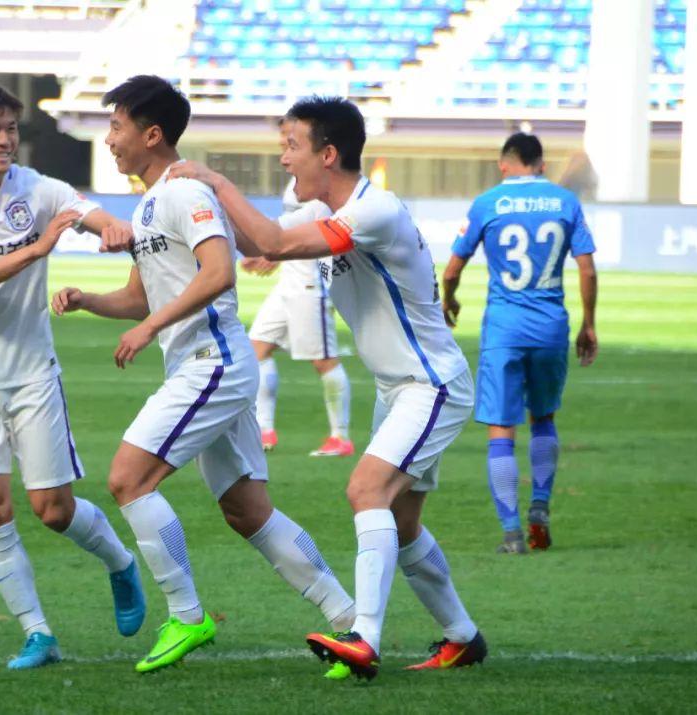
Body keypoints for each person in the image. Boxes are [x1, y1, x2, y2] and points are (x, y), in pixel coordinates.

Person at [168, 96, 486, 680]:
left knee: (366, 490)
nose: (284, 159)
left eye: (293, 146)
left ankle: (364, 638)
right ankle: (462, 636)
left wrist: (215, 179)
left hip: (432, 385)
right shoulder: (320, 208)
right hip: (398, 389)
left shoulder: (375, 210)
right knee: (402, 524)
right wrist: (189, 207)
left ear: (329, 154)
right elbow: (254, 243)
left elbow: (274, 243)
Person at [51, 76, 354, 674]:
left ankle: (187, 615)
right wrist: (88, 300)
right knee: (247, 511)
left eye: (116, 126)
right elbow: (141, 298)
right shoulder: (149, 202)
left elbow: (219, 273)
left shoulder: (185, 191)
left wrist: (148, 328)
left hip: (212, 364)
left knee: (128, 479)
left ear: (151, 134)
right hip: (206, 365)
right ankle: (350, 620)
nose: (109, 139)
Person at [0, 81, 146, 671]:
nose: (4, 140)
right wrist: (38, 249)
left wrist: (115, 230)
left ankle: (120, 563)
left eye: (11, 128)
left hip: (31, 376)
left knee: (53, 511)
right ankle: (38, 634)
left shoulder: (40, 188)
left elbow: (92, 216)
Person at [442, 132, 598, 553]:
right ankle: (540, 506)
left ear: (503, 164)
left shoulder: (487, 203)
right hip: (550, 328)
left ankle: (511, 532)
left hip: (504, 330)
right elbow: (587, 270)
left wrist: (449, 299)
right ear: (542, 166)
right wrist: (589, 325)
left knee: (501, 429)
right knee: (543, 418)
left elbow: (453, 269)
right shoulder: (565, 202)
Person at [242, 119, 353, 457]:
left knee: (323, 361)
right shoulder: (296, 180)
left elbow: (317, 227)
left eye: (289, 137)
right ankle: (264, 430)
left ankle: (341, 437)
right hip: (288, 281)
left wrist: (273, 252)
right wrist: (273, 254)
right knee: (256, 349)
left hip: (309, 282)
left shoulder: (319, 183)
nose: (283, 141)